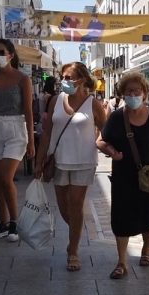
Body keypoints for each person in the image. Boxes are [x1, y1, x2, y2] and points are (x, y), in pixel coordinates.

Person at [97, 73, 149, 279]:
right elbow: (100, 141)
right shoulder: (117, 117)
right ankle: (122, 262)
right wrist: (111, 152)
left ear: (144, 93)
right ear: (122, 94)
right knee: (122, 217)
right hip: (124, 177)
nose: (133, 95)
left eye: (137, 91)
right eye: (128, 92)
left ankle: (146, 249)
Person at [34, 62, 108, 272]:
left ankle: (72, 250)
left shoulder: (93, 104)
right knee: (64, 207)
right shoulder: (56, 101)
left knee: (76, 204)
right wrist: (39, 162)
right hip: (58, 160)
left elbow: (106, 130)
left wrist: (109, 148)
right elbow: (47, 133)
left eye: (69, 78)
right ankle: (76, 228)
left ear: (82, 80)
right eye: (63, 77)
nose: (64, 81)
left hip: (84, 161)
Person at [0, 39, 35, 240]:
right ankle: (2, 223)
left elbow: (29, 111)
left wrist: (31, 141)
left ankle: (14, 222)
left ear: (11, 55)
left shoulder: (23, 79)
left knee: (6, 178)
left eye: (1, 52)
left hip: (16, 127)